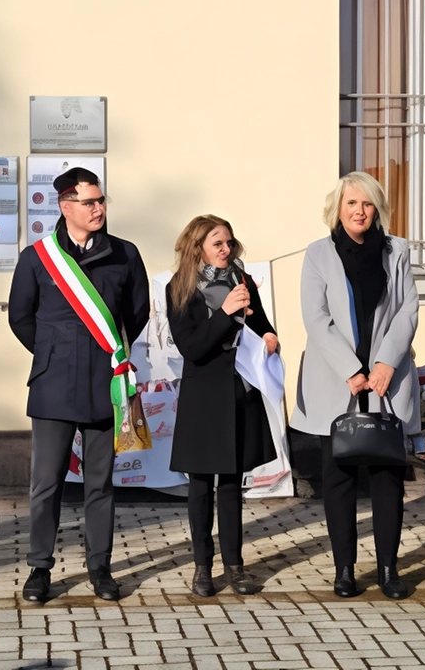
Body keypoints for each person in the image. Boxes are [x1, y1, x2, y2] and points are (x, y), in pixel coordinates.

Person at [8, 167, 149, 603]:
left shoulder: (124, 254)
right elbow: (20, 316)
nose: (99, 209)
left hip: (105, 386)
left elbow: (137, 312)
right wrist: (53, 352)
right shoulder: (37, 257)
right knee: (46, 483)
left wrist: (105, 355)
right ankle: (39, 568)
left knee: (101, 483)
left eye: (101, 201)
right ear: (65, 206)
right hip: (52, 387)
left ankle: (100, 567)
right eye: (89, 202)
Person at [292, 171, 419, 599]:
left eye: (366, 204)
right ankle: (344, 570)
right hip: (337, 380)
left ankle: (388, 570)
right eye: (351, 203)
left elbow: (407, 311)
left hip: (386, 381)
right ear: (338, 208)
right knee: (339, 477)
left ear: (377, 208)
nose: (359, 211)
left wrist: (384, 364)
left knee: (388, 478)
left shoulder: (397, 250)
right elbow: (316, 317)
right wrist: (351, 369)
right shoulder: (318, 253)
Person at [165, 215, 279, 596]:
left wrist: (269, 334)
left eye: (229, 242)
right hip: (203, 397)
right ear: (198, 247)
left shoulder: (242, 280)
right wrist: (225, 312)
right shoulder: (180, 288)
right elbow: (192, 347)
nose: (226, 250)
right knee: (200, 486)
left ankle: (235, 566)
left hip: (238, 391)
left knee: (231, 484)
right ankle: (202, 568)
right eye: (218, 244)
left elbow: (260, 321)